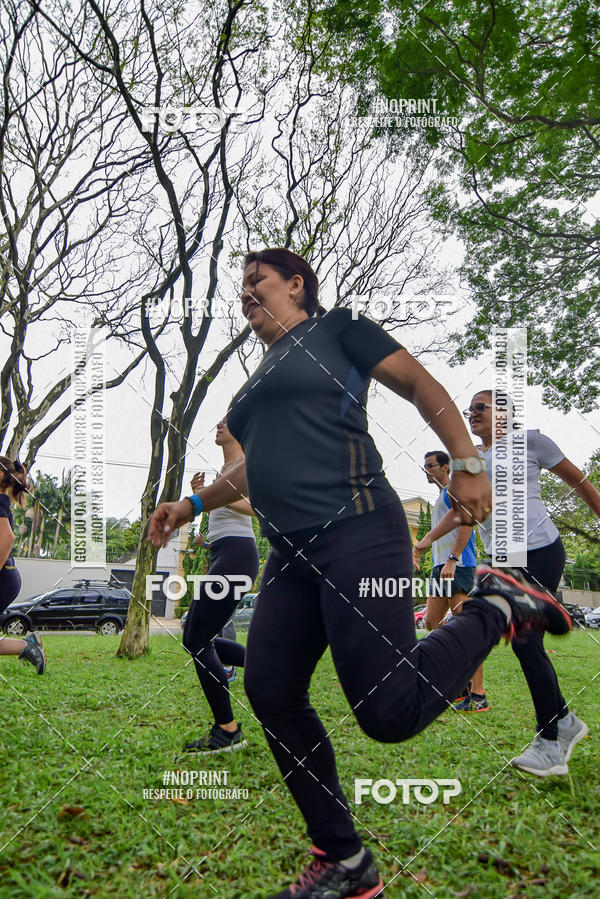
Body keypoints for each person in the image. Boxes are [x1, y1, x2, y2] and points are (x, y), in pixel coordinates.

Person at [148, 249, 571, 899]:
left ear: (297, 284)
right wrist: (192, 503)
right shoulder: (253, 385)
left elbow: (421, 384)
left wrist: (465, 458)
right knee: (269, 688)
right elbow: (251, 467)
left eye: (256, 280)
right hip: (291, 555)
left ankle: (499, 604)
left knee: (389, 711)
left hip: (358, 529)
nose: (245, 294)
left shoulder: (337, 328)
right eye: (240, 287)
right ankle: (344, 859)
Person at [422, 391, 598, 776]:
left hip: (539, 550)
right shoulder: (470, 462)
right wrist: (426, 541)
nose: (472, 415)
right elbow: (462, 516)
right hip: (500, 561)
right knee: (523, 641)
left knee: (520, 638)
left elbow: (579, 481)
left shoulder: (531, 442)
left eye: (480, 408)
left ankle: (552, 737)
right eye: (469, 410)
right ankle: (561, 724)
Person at [181, 419, 259, 753]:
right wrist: (205, 495)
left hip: (238, 553)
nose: (218, 425)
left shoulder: (247, 463)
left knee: (196, 638)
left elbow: (257, 508)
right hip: (222, 552)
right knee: (197, 635)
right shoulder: (225, 468)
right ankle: (268, 665)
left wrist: (212, 497)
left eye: (227, 422)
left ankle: (227, 730)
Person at [413, 450, 486, 710]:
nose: (427, 470)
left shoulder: (456, 489)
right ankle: (462, 681)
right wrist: (422, 549)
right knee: (432, 622)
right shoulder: (440, 497)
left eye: (431, 465)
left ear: (445, 467)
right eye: (425, 466)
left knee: (466, 629)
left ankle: (478, 696)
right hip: (439, 568)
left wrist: (453, 559)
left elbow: (467, 523)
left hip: (459, 566)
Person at [0, 458, 46, 674]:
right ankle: (28, 646)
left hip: (4, 578)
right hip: (8, 577)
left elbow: (7, 538)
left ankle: (28, 646)